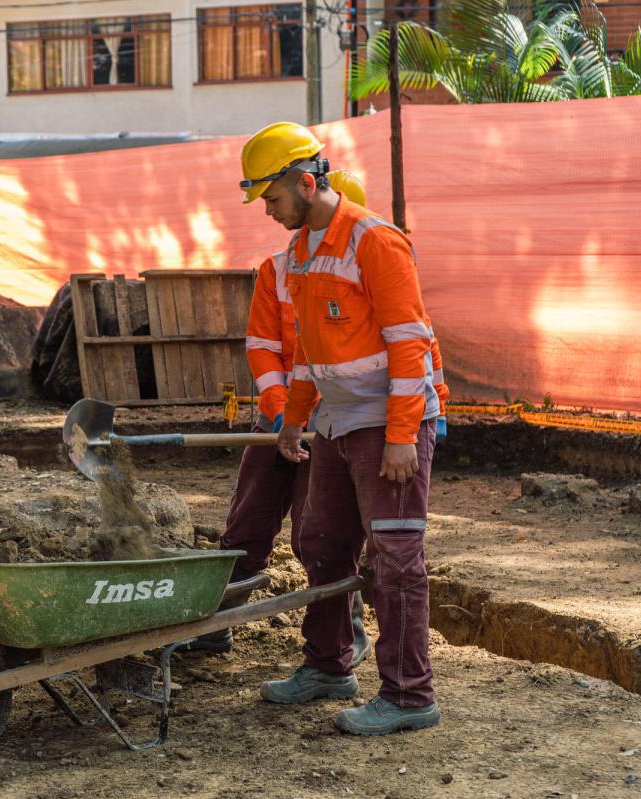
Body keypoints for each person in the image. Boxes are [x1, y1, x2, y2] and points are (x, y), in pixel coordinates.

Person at [239, 121, 449, 736]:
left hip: (387, 422)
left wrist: (403, 434)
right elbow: (307, 352)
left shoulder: (375, 241)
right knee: (321, 541)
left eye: (273, 199)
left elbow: (410, 344)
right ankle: (329, 666)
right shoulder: (301, 253)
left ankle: (410, 697)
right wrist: (294, 422)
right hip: (334, 421)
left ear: (306, 183)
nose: (269, 212)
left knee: (397, 556)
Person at [186, 171, 372, 666]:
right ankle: (215, 625)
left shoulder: (368, 261)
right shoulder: (278, 269)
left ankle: (344, 640)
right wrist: (277, 413)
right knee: (246, 523)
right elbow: (264, 346)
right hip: (279, 423)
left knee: (322, 537)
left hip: (331, 426)